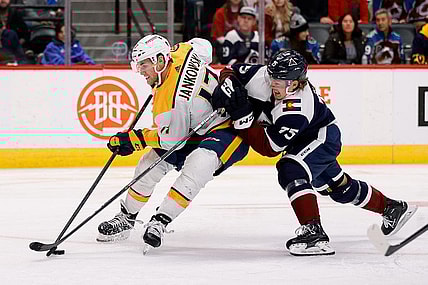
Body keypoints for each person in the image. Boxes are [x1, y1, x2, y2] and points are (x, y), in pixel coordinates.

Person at [211, 49, 417, 256]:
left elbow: (269, 148)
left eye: (281, 80)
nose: (274, 83)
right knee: (338, 188)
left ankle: (313, 231)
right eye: (273, 76)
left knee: (290, 170)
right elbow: (230, 71)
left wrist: (242, 116)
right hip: (302, 142)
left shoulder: (297, 106)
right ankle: (392, 208)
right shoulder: (264, 75)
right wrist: (228, 85)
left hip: (321, 139)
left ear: (296, 82)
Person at [96, 35, 249, 250]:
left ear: (160, 61)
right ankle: (126, 217)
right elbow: (203, 45)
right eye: (138, 65)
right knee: (149, 165)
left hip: (224, 128)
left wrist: (133, 139)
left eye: (144, 65)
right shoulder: (182, 50)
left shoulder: (171, 101)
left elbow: (170, 141)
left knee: (198, 164)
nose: (141, 71)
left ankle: (159, 221)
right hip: (191, 124)